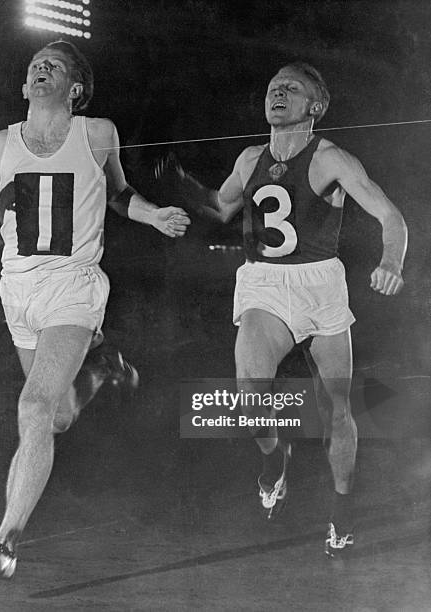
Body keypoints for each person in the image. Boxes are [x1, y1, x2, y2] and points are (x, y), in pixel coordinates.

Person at [0, 40, 190, 580]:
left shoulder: (97, 133)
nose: (41, 69)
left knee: (33, 410)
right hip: (16, 290)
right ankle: (103, 365)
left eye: (54, 66)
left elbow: (117, 194)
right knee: (55, 416)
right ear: (24, 87)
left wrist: (153, 216)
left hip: (74, 285)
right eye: (35, 66)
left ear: (76, 89)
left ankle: (3, 543)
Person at [157, 61, 407, 557]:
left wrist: (392, 263)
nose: (278, 92)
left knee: (336, 408)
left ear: (314, 106)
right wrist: (183, 185)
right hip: (263, 283)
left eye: (291, 88)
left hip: (320, 284)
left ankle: (341, 511)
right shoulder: (250, 158)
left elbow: (390, 215)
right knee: (250, 398)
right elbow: (221, 207)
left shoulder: (331, 158)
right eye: (273, 87)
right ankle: (275, 462)